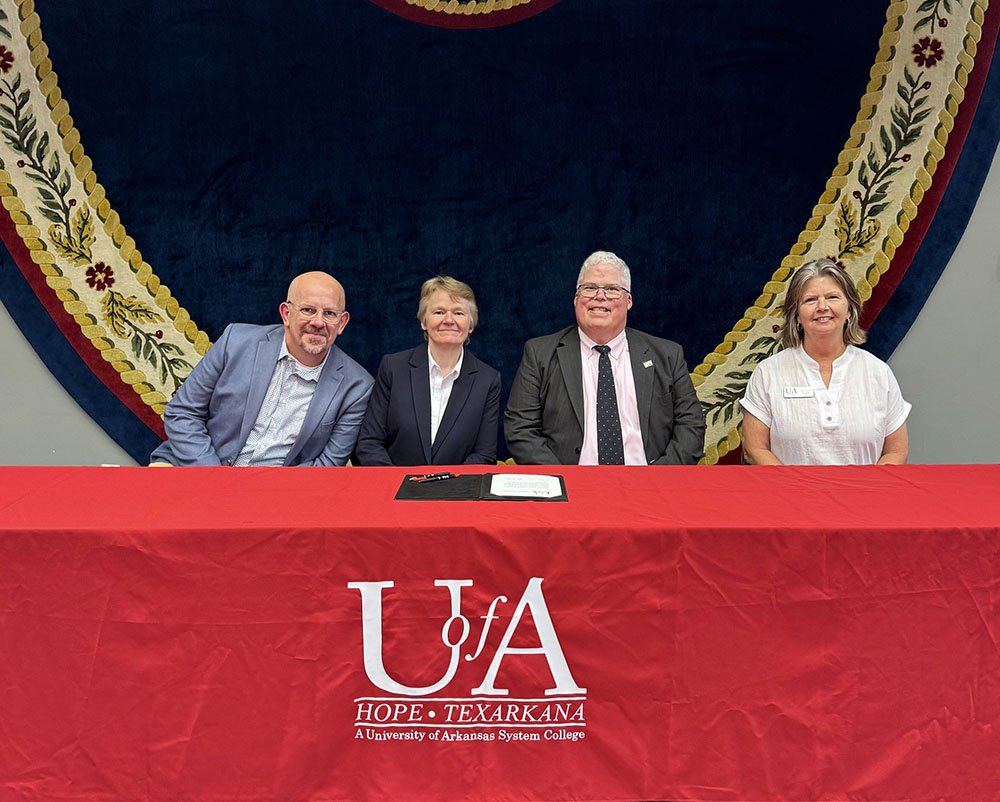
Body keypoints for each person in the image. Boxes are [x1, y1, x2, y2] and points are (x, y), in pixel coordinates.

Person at [149, 271, 374, 466]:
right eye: (307, 310)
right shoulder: (235, 341)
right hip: (199, 467)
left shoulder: (357, 387)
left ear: (342, 323)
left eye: (329, 313)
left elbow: (327, 465)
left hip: (278, 491)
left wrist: (263, 492)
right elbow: (183, 413)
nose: (318, 322)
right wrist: (215, 478)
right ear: (286, 313)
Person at [504, 251, 705, 465]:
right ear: (576, 299)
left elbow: (691, 425)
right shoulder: (539, 354)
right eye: (590, 288)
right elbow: (520, 429)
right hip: (571, 481)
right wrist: (565, 479)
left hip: (649, 480)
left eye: (612, 289)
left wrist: (656, 478)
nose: (600, 296)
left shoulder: (668, 355)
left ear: (628, 301)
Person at [739, 258, 910, 465]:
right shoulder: (767, 373)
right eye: (810, 300)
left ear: (849, 311)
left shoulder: (878, 372)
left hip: (864, 487)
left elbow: (896, 451)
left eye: (832, 297)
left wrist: (868, 485)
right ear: (797, 316)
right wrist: (792, 484)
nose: (822, 306)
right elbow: (754, 449)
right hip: (789, 486)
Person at [356, 276, 500, 466]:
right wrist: (398, 482)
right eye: (439, 312)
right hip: (394, 483)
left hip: (457, 485)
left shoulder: (488, 380)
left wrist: (452, 484)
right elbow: (370, 442)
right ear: (423, 321)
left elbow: (484, 455)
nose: (448, 320)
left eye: (458, 313)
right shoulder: (393, 367)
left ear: (471, 324)